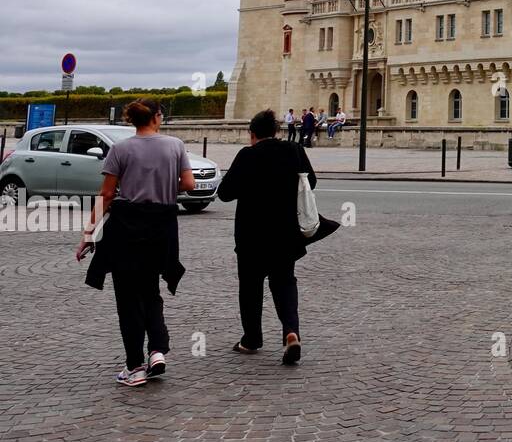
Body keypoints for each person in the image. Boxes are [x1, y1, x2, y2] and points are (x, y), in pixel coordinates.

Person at [78, 99, 195, 387]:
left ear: (133, 120)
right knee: (151, 291)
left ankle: (135, 366)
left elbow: (106, 196)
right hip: (162, 227)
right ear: (158, 117)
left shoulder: (120, 149)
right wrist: (167, 185)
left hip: (127, 228)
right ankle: (157, 350)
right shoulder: (175, 145)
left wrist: (88, 234)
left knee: (128, 298)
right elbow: (189, 184)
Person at [217, 110, 337, 365]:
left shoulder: (247, 155)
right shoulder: (293, 151)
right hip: (285, 232)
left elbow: (225, 193)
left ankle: (251, 339)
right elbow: (311, 183)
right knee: (284, 282)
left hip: (251, 234)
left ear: (252, 134)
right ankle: (290, 331)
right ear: (276, 131)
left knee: (250, 286)